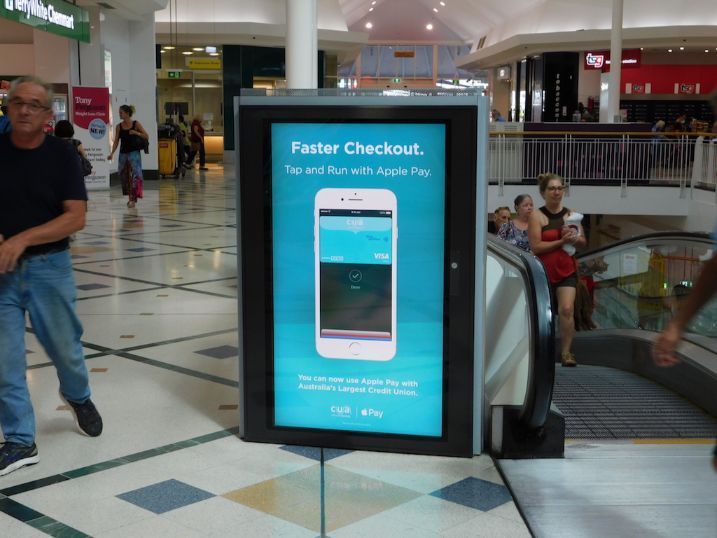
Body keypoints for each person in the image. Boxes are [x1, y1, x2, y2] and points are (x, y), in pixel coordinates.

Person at [0, 76, 103, 477]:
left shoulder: (61, 154)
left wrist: (21, 239)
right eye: (17, 102)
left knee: (65, 349)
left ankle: (78, 396)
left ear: (47, 114)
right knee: (6, 361)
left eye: (34, 105)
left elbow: (75, 216)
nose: (24, 110)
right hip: (3, 274)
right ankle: (20, 441)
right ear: (8, 107)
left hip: (50, 268)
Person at [528, 173, 586, 367]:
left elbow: (583, 243)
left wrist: (574, 239)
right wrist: (561, 241)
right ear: (543, 192)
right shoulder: (537, 215)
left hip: (566, 270)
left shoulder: (572, 214)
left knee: (567, 309)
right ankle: (540, 352)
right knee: (543, 314)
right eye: (552, 188)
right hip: (542, 272)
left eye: (560, 188)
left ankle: (566, 353)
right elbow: (535, 246)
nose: (556, 192)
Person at [108, 104, 148, 208]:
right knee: (123, 174)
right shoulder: (119, 126)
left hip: (134, 153)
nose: (119, 114)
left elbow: (146, 135)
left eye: (121, 112)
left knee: (136, 175)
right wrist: (112, 153)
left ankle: (133, 199)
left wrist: (136, 132)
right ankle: (130, 196)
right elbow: (116, 141)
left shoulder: (136, 124)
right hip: (123, 153)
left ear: (126, 113)